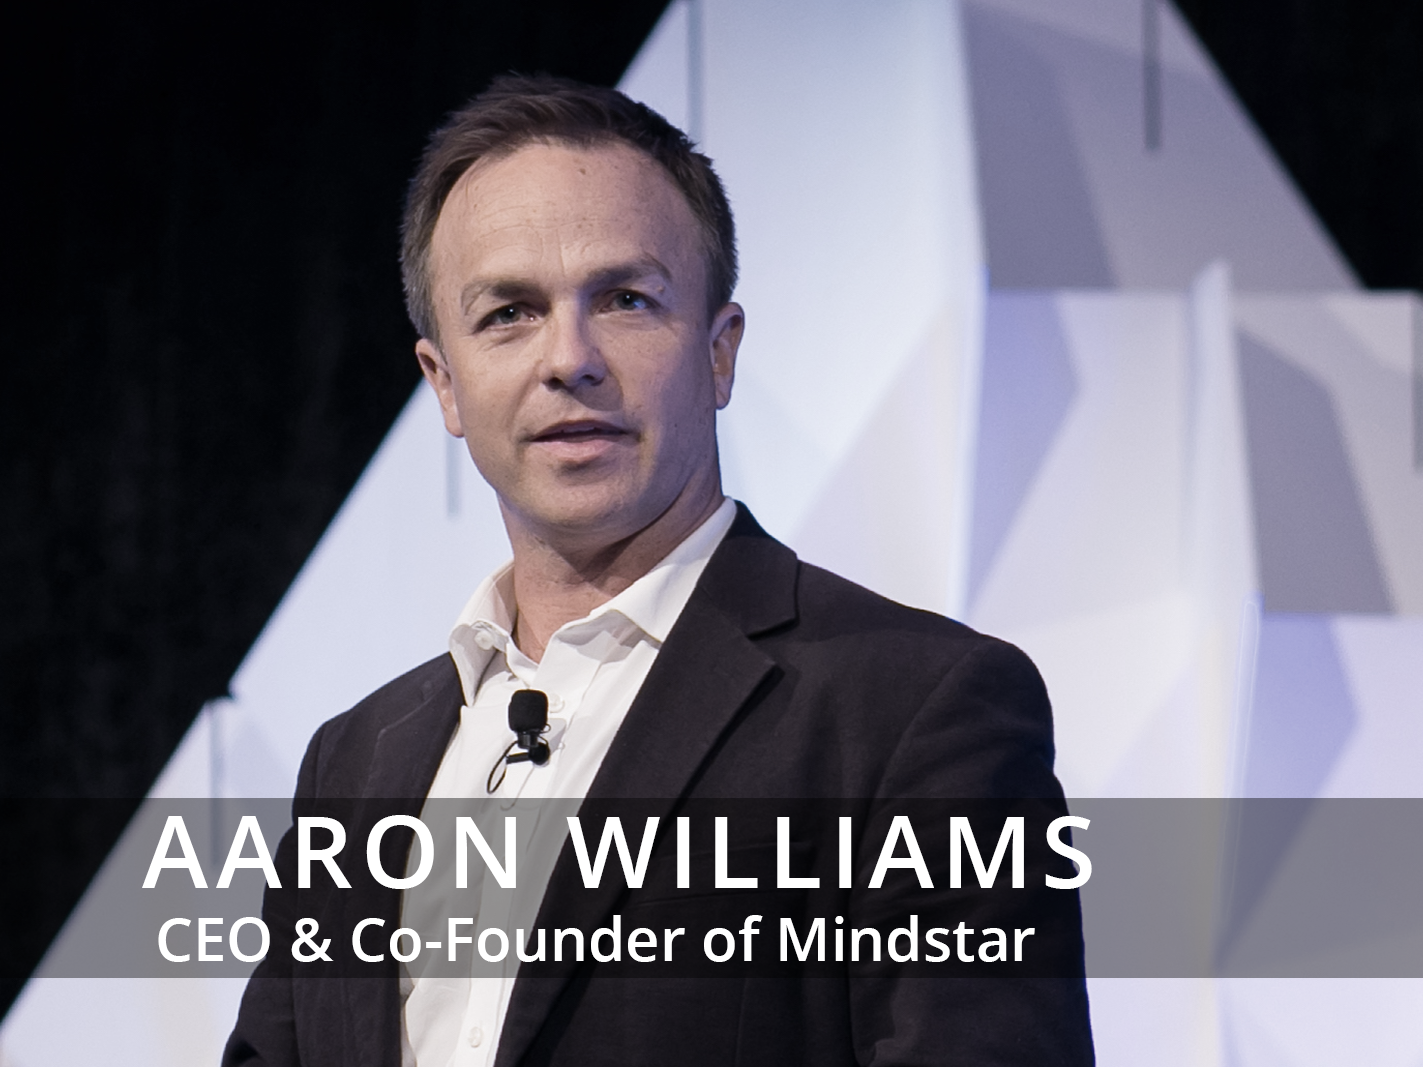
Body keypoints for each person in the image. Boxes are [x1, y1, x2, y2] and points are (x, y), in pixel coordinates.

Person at [224, 74, 1094, 1067]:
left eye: (626, 299)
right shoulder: (356, 760)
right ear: (444, 381)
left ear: (719, 353)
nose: (570, 358)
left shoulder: (914, 709)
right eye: (509, 312)